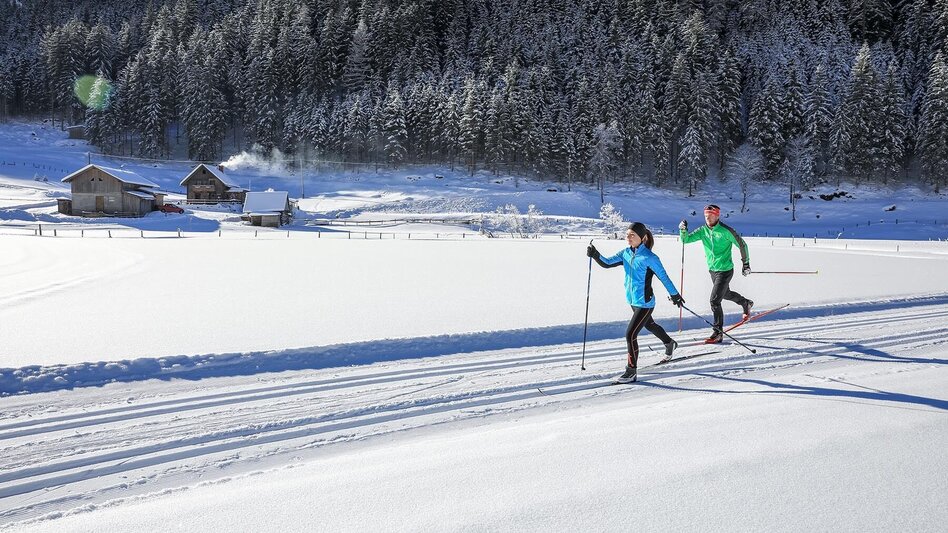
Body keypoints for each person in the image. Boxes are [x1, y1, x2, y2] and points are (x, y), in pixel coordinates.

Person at [587, 222, 684, 383]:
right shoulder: (625, 253)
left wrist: (675, 295)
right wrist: (595, 254)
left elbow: (664, 277)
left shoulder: (650, 258)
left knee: (630, 334)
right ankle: (669, 343)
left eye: (632, 235)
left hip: (645, 303)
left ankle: (631, 371)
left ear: (642, 238)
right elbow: (607, 263)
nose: (629, 238)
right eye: (627, 234)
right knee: (649, 325)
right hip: (633, 300)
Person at [679, 204, 753, 344]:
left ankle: (718, 333)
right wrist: (683, 230)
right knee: (725, 294)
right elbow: (685, 240)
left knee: (714, 300)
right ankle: (746, 303)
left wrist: (746, 263)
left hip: (725, 270)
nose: (708, 218)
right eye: (706, 215)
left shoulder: (726, 231)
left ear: (717, 216)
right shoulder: (703, 231)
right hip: (712, 269)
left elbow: (742, 244)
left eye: (711, 215)